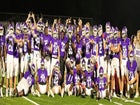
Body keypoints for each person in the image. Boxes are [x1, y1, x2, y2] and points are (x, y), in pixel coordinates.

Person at [0, 24, 6, 97]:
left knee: (3, 75)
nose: (1, 31)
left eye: (1, 29)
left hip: (2, 59)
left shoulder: (4, 38)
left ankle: (1, 90)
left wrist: (5, 60)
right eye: (0, 29)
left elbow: (4, 49)